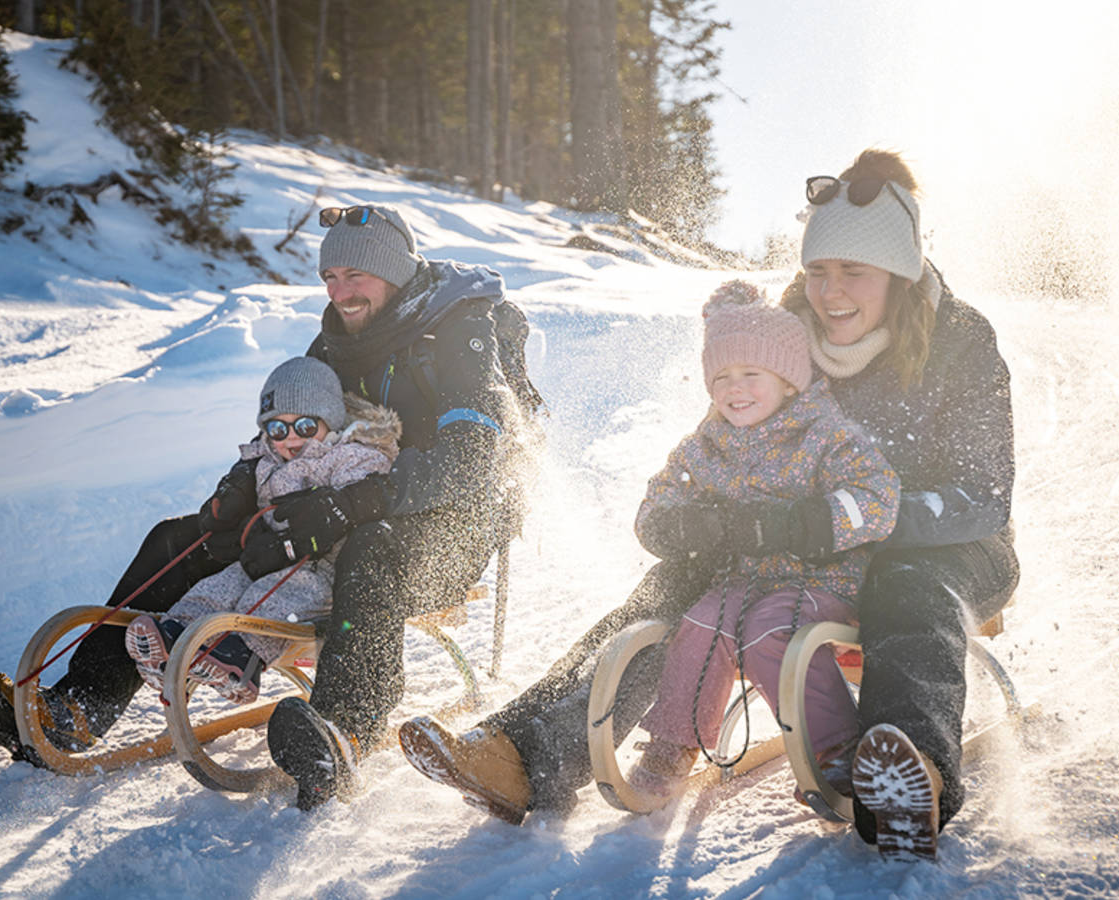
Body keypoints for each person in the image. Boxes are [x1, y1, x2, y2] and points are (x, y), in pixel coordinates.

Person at [400, 149, 1018, 863]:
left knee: (908, 587)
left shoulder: (960, 339)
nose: (831, 292)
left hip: (938, 542)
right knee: (673, 586)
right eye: (818, 271)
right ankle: (525, 748)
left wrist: (832, 522)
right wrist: (694, 518)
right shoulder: (783, 330)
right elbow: (726, 435)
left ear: (901, 273)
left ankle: (909, 778)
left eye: (855, 271)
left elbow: (984, 495)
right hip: (787, 544)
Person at [0, 203, 537, 813]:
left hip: (452, 528)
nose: (340, 292)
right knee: (174, 539)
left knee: (373, 549)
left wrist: (352, 505)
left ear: (395, 272)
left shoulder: (456, 331)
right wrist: (240, 486)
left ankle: (345, 728)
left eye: (355, 276)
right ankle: (78, 707)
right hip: (343, 506)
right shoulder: (339, 339)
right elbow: (290, 428)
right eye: (330, 277)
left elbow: (474, 462)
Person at [627, 281, 898, 806]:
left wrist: (808, 524)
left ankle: (837, 748)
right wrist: (681, 526)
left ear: (789, 379)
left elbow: (878, 499)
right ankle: (674, 743)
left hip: (822, 580)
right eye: (722, 376)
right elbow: (655, 504)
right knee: (703, 621)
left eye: (751, 373)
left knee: (771, 629)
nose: (736, 388)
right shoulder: (706, 446)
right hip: (746, 580)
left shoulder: (825, 433)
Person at [122, 356, 400, 706]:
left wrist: (328, 508)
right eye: (278, 429)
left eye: (305, 426)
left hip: (322, 570)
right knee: (223, 584)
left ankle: (241, 659)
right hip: (271, 556)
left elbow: (366, 497)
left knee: (272, 597)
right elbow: (247, 481)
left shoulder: (352, 455)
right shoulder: (267, 458)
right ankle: (176, 639)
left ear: (331, 421)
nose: (291, 439)